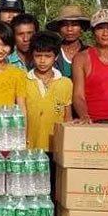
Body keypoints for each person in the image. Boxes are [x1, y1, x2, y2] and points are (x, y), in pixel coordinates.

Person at [24, 31, 73, 191]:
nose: (43, 60)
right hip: (30, 146)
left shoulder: (66, 83)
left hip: (55, 147)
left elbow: (68, 116)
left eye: (48, 56)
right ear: (32, 56)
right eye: (38, 56)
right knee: (30, 189)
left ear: (56, 57)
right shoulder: (24, 81)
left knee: (53, 189)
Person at [72, 9, 108, 124]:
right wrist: (84, 116)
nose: (105, 33)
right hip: (92, 122)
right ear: (93, 31)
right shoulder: (81, 58)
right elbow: (78, 95)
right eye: (100, 28)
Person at [46, 5, 91, 77]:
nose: (69, 29)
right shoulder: (51, 52)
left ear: (82, 28)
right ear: (59, 29)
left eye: (74, 25)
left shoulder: (90, 53)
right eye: (65, 25)